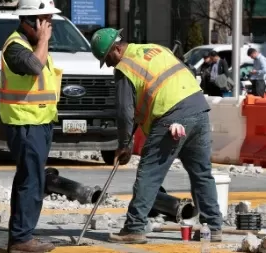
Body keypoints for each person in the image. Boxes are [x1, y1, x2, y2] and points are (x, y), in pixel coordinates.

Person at [90, 27, 223, 244]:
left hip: (171, 116)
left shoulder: (125, 68)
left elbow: (124, 112)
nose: (109, 64)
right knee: (202, 173)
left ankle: (134, 227)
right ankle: (214, 227)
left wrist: (125, 145)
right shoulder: (154, 48)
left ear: (116, 49)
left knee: (149, 174)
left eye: (107, 59)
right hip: (198, 108)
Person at [0, 0, 62, 252]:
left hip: (40, 122)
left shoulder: (33, 45)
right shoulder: (15, 47)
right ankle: (22, 239)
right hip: (24, 123)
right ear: (31, 21)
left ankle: (21, 235)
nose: (49, 27)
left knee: (30, 179)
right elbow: (34, 67)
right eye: (46, 21)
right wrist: (44, 40)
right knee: (31, 181)